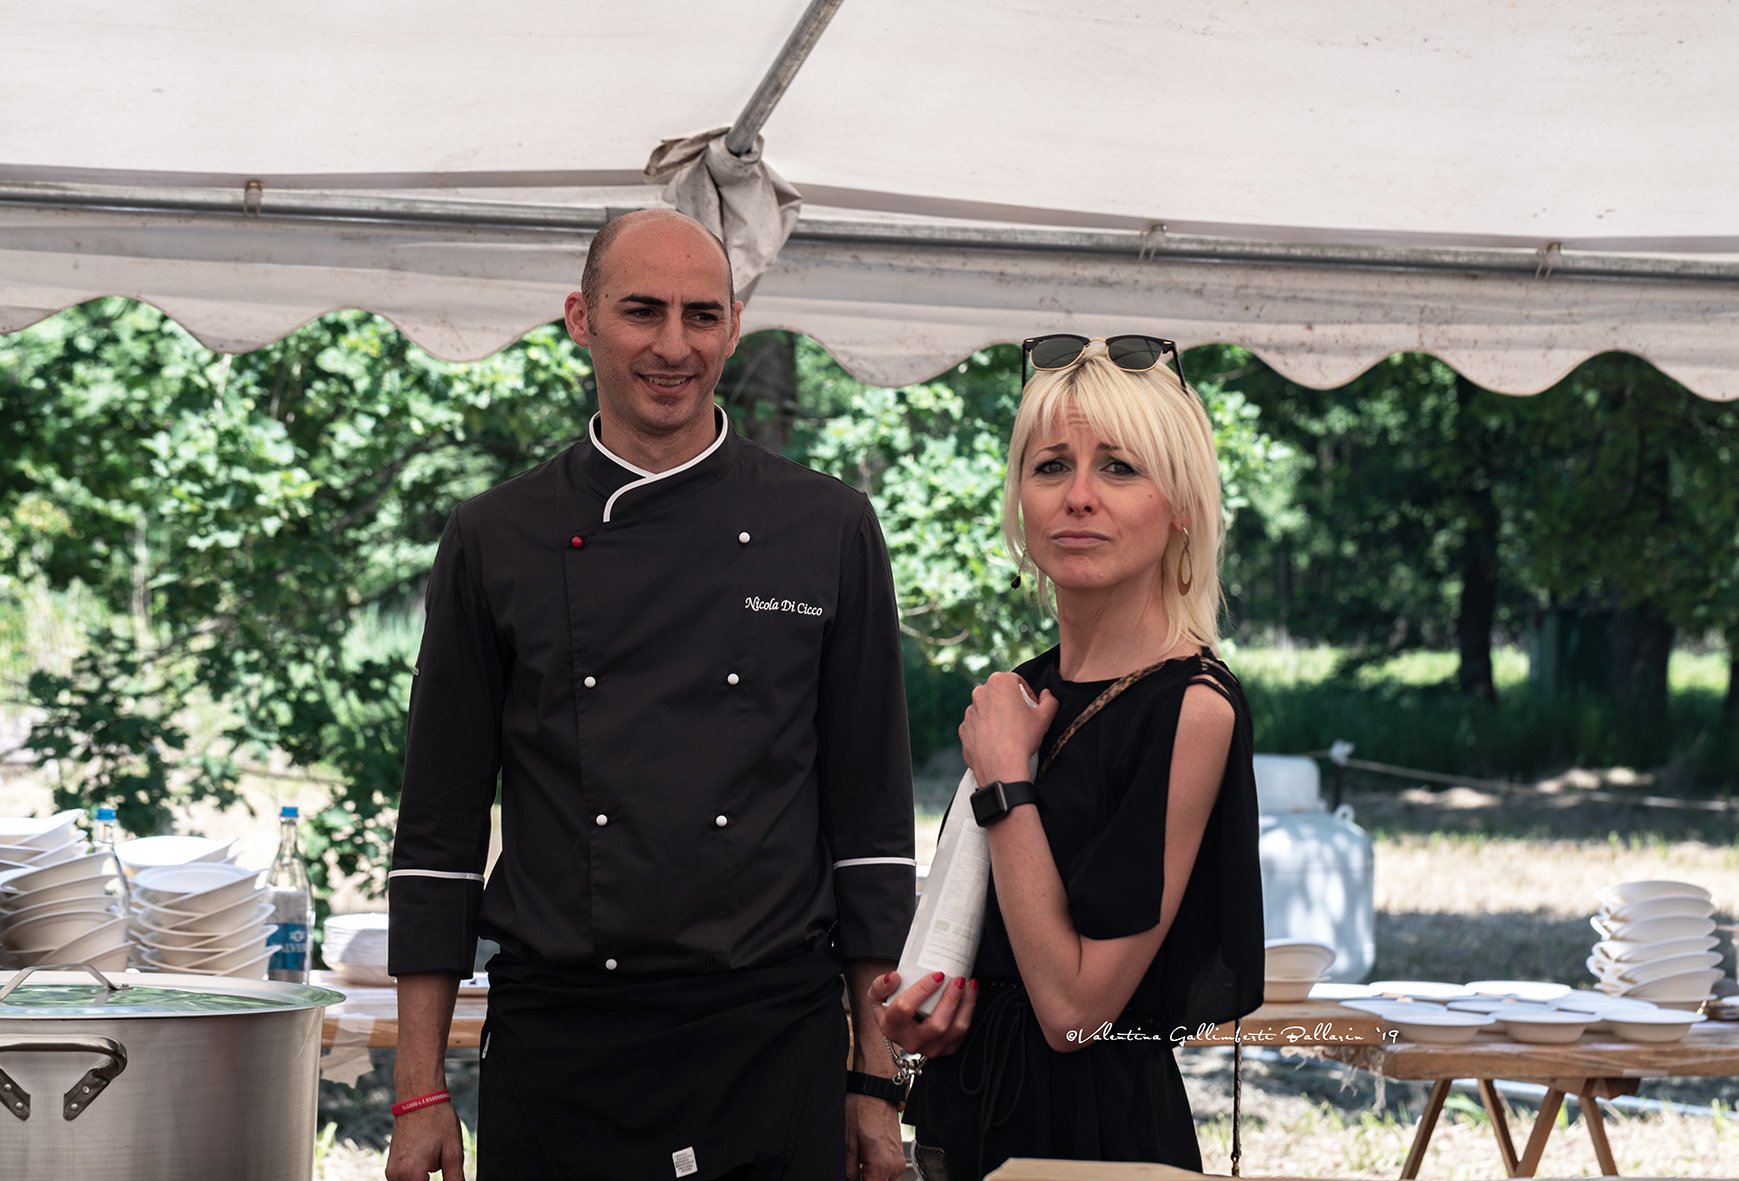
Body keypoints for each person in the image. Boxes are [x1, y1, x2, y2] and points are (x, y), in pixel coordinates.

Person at [383, 209, 918, 1181]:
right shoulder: (495, 536)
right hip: (563, 1043)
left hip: (770, 1036)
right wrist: (419, 1089)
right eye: (642, 311)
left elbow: (870, 827)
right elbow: (438, 834)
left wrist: (873, 1076)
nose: (674, 346)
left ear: (734, 326)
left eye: (701, 315)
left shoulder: (827, 526)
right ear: (580, 318)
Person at [871, 335, 1264, 1180]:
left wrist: (1006, 784)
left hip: (1091, 1137)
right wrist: (927, 1010)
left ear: (1181, 503)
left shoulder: (1191, 706)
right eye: (1051, 466)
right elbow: (984, 946)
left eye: (1119, 467)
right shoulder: (1019, 694)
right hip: (964, 1113)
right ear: (1020, 497)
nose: (1079, 495)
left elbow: (1075, 1010)